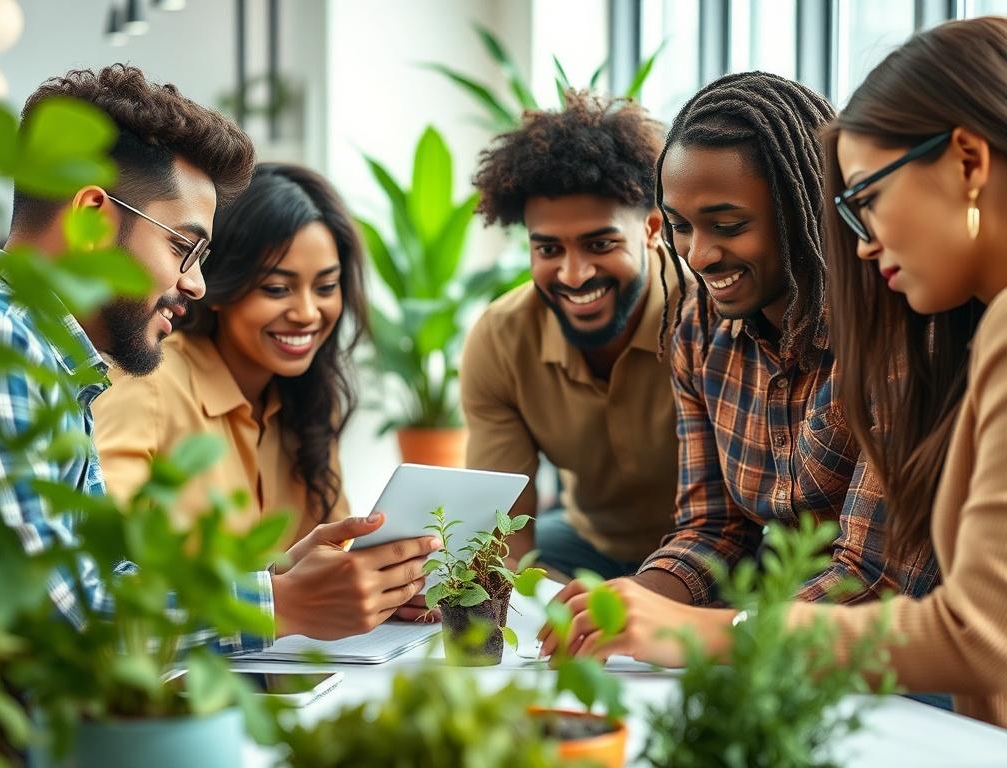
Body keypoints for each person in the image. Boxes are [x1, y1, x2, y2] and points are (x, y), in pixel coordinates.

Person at [543, 18, 1007, 726]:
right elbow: (711, 527)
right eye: (681, 227)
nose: (865, 238)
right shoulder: (700, 324)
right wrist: (631, 610)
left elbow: (911, 598)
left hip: (894, 657)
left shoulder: (912, 323)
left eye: (868, 199)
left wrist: (704, 633)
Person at [0, 66, 436, 652]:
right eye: (182, 247)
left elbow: (109, 583)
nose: (196, 285)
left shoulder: (61, 364)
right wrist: (280, 605)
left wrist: (275, 581)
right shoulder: (1, 341)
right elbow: (53, 623)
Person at [94, 162, 433, 626]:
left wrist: (379, 589)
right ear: (218, 285)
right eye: (277, 288)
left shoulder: (306, 401)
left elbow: (311, 577)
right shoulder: (146, 384)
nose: (308, 313)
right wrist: (278, 599)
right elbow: (98, 584)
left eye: (327, 287)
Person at [462, 90, 685, 579]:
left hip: (715, 549)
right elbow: (501, 532)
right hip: (588, 547)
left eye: (600, 244)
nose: (574, 274)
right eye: (548, 250)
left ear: (651, 228)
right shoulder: (502, 340)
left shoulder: (706, 315)